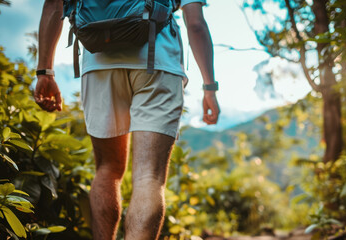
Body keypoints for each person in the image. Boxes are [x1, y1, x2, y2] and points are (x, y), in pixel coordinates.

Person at [34, 0, 220, 239]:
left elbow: (53, 5)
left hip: (98, 60)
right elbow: (196, 23)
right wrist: (209, 88)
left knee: (107, 169)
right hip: (157, 61)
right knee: (148, 176)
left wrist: (45, 72)